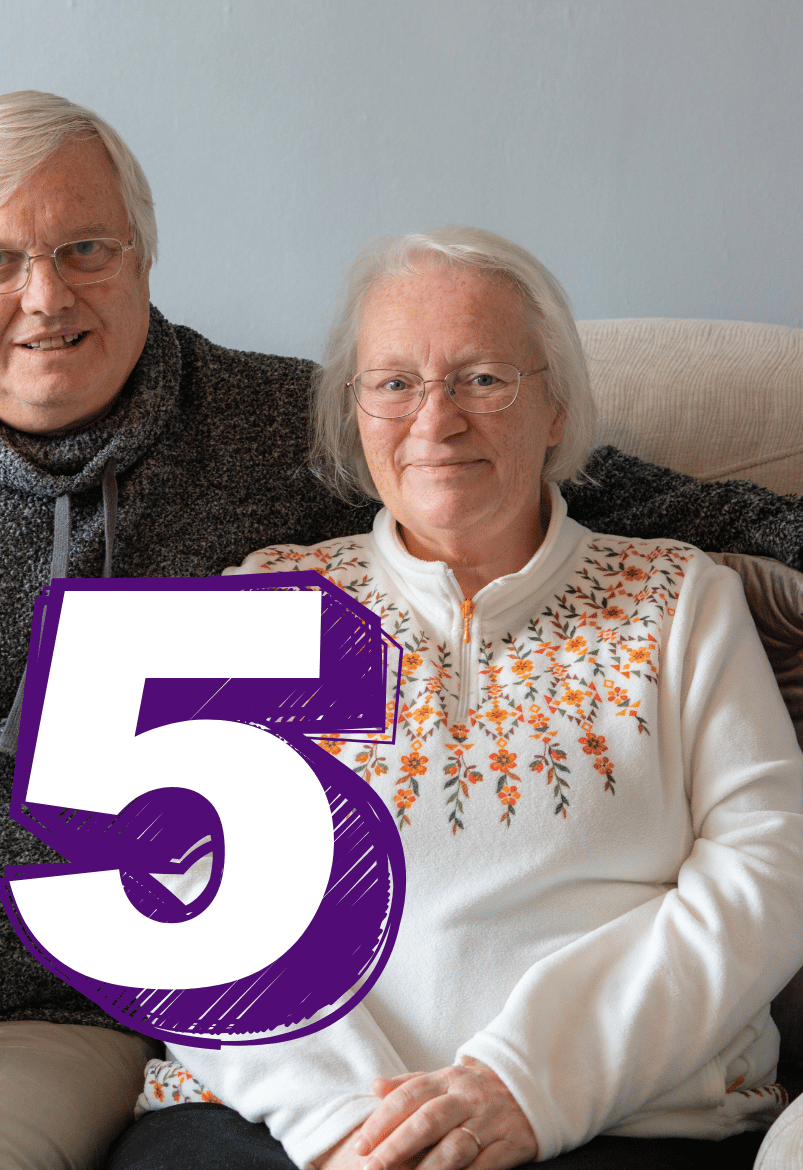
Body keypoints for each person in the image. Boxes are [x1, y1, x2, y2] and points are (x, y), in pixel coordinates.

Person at [0, 96, 800, 1170]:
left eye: (85, 249)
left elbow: (540, 475)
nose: (46, 297)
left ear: (143, 254)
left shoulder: (283, 426)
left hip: (55, 1009)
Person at [108, 227, 803, 1170]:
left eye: (482, 379)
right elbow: (180, 898)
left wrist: (527, 1084)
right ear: (356, 412)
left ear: (555, 405)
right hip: (273, 1123)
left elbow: (771, 869)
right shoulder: (268, 600)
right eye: (394, 383)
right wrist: (352, 1127)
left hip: (628, 1114)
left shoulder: (679, 601)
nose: (435, 420)